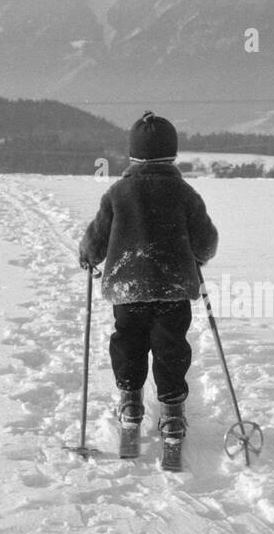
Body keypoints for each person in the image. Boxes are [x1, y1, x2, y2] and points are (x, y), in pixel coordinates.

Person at [78, 111, 218, 438]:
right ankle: (171, 413)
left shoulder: (117, 194)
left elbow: (96, 239)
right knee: (170, 347)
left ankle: (130, 402)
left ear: (132, 154)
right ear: (173, 153)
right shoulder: (184, 194)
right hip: (173, 288)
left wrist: (87, 255)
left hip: (128, 289)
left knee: (129, 342)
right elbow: (206, 242)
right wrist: (198, 256)